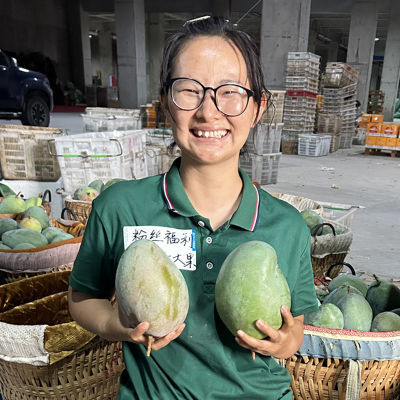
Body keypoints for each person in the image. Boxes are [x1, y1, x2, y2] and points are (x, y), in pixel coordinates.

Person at [68, 16, 318, 399]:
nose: (208, 111)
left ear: (257, 107)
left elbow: (295, 329)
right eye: (189, 90)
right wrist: (116, 326)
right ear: (166, 104)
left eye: (230, 91)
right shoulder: (120, 207)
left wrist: (281, 343)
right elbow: (83, 298)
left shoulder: (287, 226)